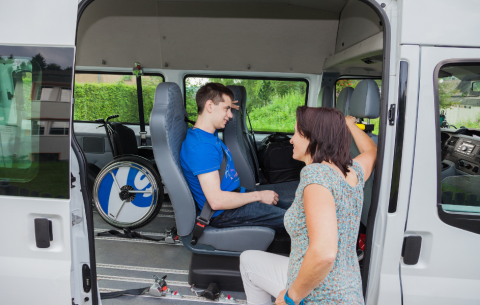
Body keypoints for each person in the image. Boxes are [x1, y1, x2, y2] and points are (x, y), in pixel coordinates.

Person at [239, 106, 377, 305]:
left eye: (297, 133)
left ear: (314, 138)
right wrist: (349, 126)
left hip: (319, 295)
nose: (291, 139)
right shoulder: (352, 170)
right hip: (348, 291)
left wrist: (290, 297)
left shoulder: (315, 176)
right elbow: (371, 151)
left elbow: (324, 253)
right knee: (249, 260)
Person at [180, 83, 291, 233]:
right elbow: (216, 201)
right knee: (297, 221)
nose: (231, 115)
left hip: (235, 197)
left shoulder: (206, 133)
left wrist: (227, 105)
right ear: (210, 106)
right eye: (227, 109)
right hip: (224, 213)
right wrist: (258, 196)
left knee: (295, 210)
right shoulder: (201, 147)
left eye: (230, 109)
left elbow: (210, 115)